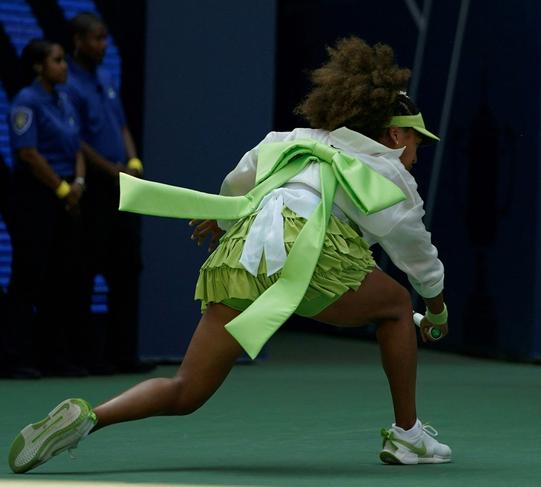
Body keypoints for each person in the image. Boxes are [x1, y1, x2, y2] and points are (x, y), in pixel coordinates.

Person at [8, 37, 451, 473]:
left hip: (245, 252)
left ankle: (91, 418)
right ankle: (408, 436)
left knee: (186, 391)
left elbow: (238, 184)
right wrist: (435, 312)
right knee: (395, 306)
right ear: (394, 134)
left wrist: (220, 221)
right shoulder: (391, 174)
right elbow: (418, 259)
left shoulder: (292, 138)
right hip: (310, 254)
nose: (415, 155)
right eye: (416, 142)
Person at [63, 12, 151, 373]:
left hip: (123, 186)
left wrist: (132, 160)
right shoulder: (67, 82)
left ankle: (123, 355)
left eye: (105, 39)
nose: (102, 46)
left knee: (128, 268)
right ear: (78, 41)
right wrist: (110, 170)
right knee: (84, 271)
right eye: (96, 39)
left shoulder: (106, 77)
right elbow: (77, 140)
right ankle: (86, 357)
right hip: (97, 187)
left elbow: (122, 125)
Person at [4, 39, 88, 377]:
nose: (64, 66)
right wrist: (62, 188)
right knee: (28, 276)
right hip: (36, 195)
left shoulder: (64, 98)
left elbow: (78, 144)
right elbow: (28, 154)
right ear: (39, 66)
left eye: (64, 60)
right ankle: (14, 359)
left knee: (61, 276)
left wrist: (79, 183)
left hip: (68, 192)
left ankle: (54, 357)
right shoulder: (26, 102)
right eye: (56, 60)